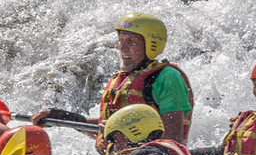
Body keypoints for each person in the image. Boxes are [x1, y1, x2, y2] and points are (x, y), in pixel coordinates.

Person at [33, 13, 194, 144]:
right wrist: (64, 118)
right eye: (121, 40)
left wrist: (124, 137)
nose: (123, 48)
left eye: (131, 42)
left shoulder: (167, 78)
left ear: (151, 45)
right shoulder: (123, 80)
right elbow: (106, 126)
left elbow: (172, 141)